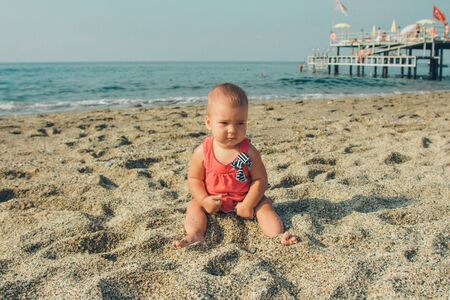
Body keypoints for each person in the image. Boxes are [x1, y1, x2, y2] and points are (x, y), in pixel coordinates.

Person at [172, 83, 298, 248]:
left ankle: (278, 236)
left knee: (265, 206)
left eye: (240, 123)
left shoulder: (249, 151)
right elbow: (194, 178)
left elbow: (260, 179)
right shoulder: (203, 151)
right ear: (209, 123)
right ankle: (194, 234)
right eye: (224, 123)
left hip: (245, 199)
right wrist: (204, 200)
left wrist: (248, 203)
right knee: (194, 206)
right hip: (213, 201)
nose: (232, 130)